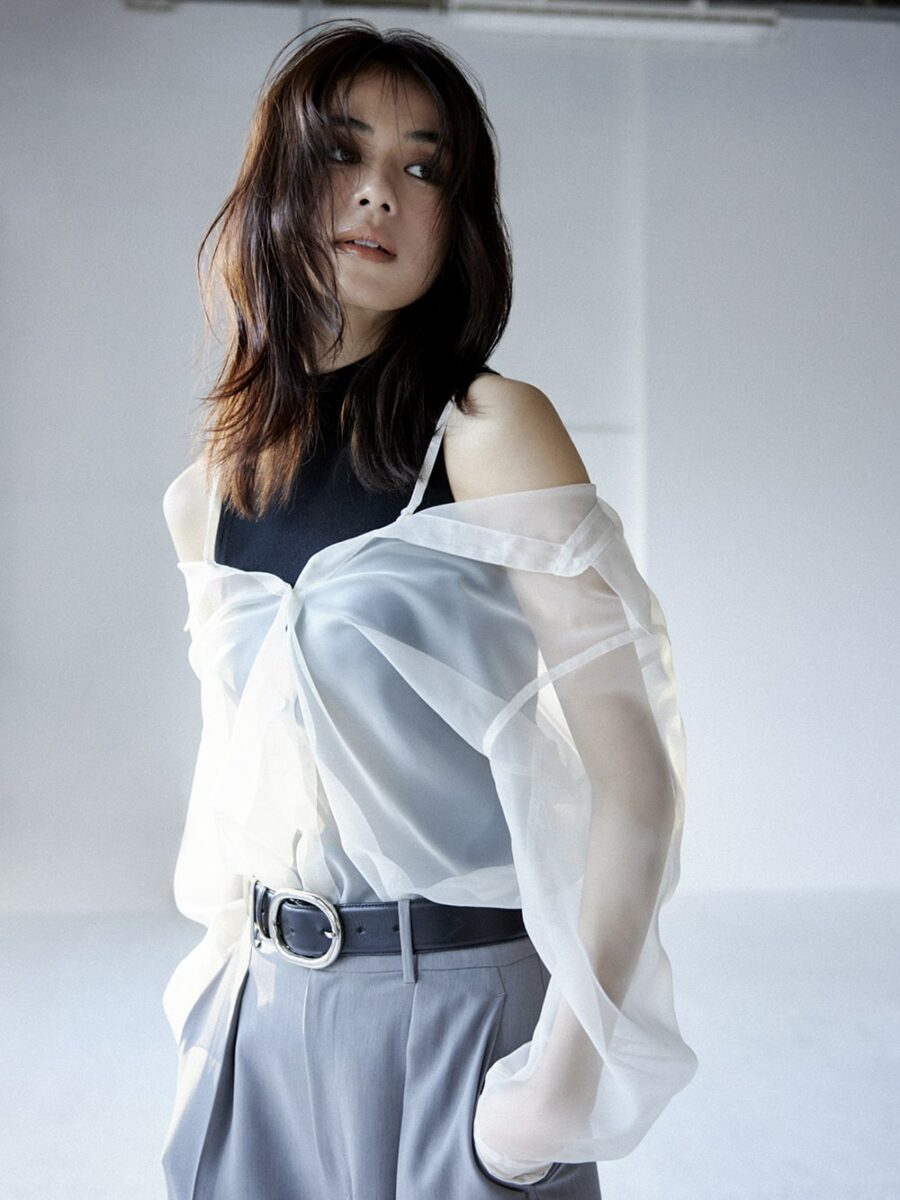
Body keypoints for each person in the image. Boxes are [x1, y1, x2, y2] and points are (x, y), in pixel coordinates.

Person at [160, 19, 697, 1200]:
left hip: (462, 1023)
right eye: (342, 154)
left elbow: (634, 778)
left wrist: (552, 1091)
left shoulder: (489, 433)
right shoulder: (209, 492)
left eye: (422, 166)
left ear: (458, 218)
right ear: (277, 183)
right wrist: (214, 1006)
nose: (378, 196)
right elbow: (240, 784)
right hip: (263, 1022)